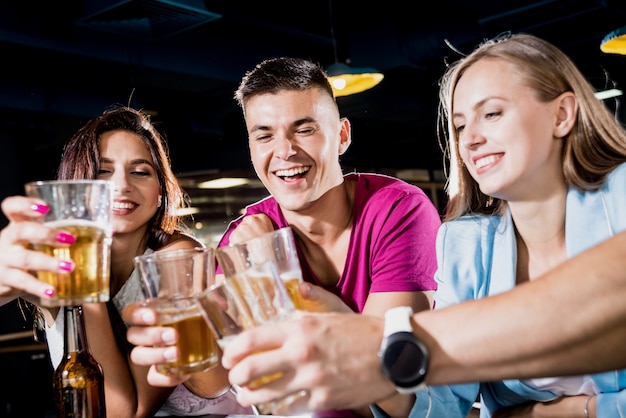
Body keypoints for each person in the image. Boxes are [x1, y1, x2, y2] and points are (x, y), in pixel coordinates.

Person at [214, 32, 626, 417]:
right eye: (461, 125)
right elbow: (440, 403)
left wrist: (583, 410)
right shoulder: (466, 244)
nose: (471, 139)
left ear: (562, 114)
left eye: (493, 114)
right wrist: (374, 354)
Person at [124, 56, 442, 417]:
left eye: (304, 129)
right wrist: (183, 344)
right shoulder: (243, 237)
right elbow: (223, 382)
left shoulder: (398, 210)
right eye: (264, 135)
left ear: (341, 136)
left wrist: (273, 279)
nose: (285, 150)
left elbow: (395, 392)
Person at [0, 106, 246, 417]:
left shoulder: (175, 258)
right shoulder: (54, 263)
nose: (121, 185)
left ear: (160, 192)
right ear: (73, 189)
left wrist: (81, 289)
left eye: (140, 171)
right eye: (103, 171)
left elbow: (123, 411)